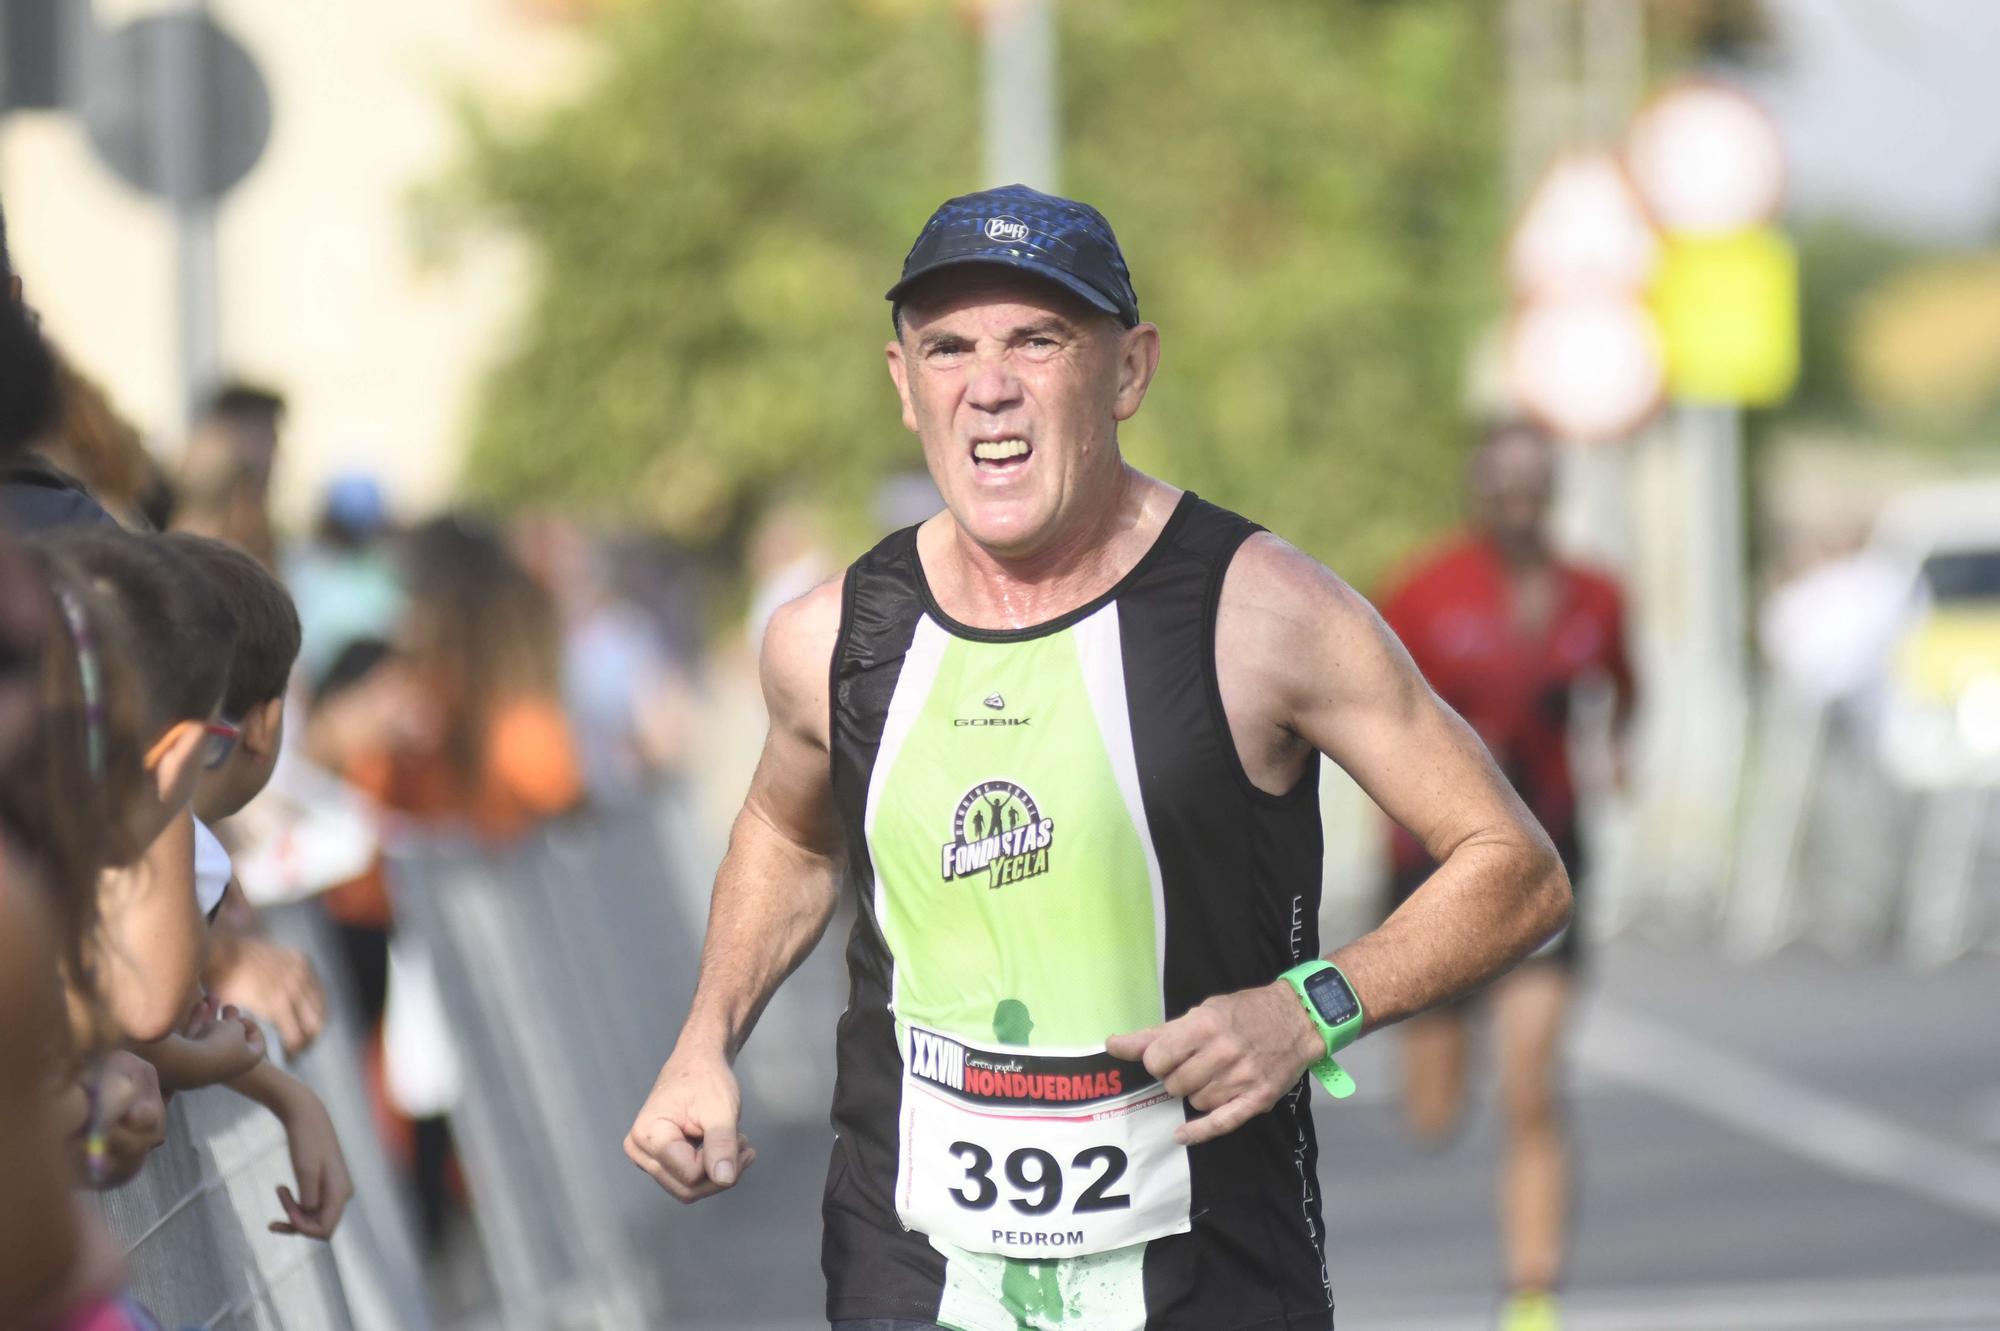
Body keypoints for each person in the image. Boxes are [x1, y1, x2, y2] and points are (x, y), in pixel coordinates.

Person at [625, 185, 1571, 1331]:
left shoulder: (1262, 612)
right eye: (948, 347)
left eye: (1038, 340)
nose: (989, 384)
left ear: (1126, 372)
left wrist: (1307, 1008)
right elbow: (787, 830)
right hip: (914, 1265)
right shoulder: (829, 636)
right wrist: (701, 1041)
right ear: (902, 383)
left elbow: (1515, 864)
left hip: (1206, 1269)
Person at [1375, 423, 1636, 1331]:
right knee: (1435, 1109)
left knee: (1532, 1083)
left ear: (1554, 490)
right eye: (1504, 484)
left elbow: (1625, 687)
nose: (1519, 499)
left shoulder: (1595, 594)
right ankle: (1449, 1048)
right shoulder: (1422, 590)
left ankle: (1533, 1296)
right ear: (1477, 492)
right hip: (1431, 866)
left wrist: (1620, 761)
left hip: (1548, 859)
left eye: (1536, 483)